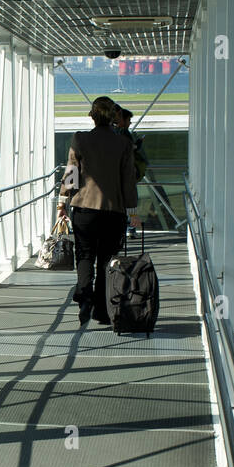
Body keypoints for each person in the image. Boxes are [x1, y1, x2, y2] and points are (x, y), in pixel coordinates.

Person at [58, 97, 136, 327]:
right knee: (106, 260)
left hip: (84, 209)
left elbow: (71, 174)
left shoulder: (80, 139)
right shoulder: (123, 144)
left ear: (92, 115)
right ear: (113, 116)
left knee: (84, 254)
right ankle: (102, 310)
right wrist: (131, 209)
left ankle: (84, 295)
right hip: (113, 211)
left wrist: (63, 200)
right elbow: (128, 180)